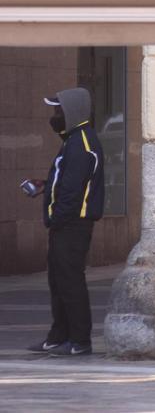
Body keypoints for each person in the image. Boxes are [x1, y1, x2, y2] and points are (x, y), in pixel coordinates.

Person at [26, 87, 105, 357]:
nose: (55, 115)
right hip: (64, 223)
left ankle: (80, 340)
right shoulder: (73, 140)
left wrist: (55, 219)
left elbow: (72, 191)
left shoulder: (82, 142)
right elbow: (69, 182)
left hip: (72, 225)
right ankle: (58, 336)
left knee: (70, 281)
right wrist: (46, 186)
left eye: (58, 110)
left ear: (71, 111)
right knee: (58, 281)